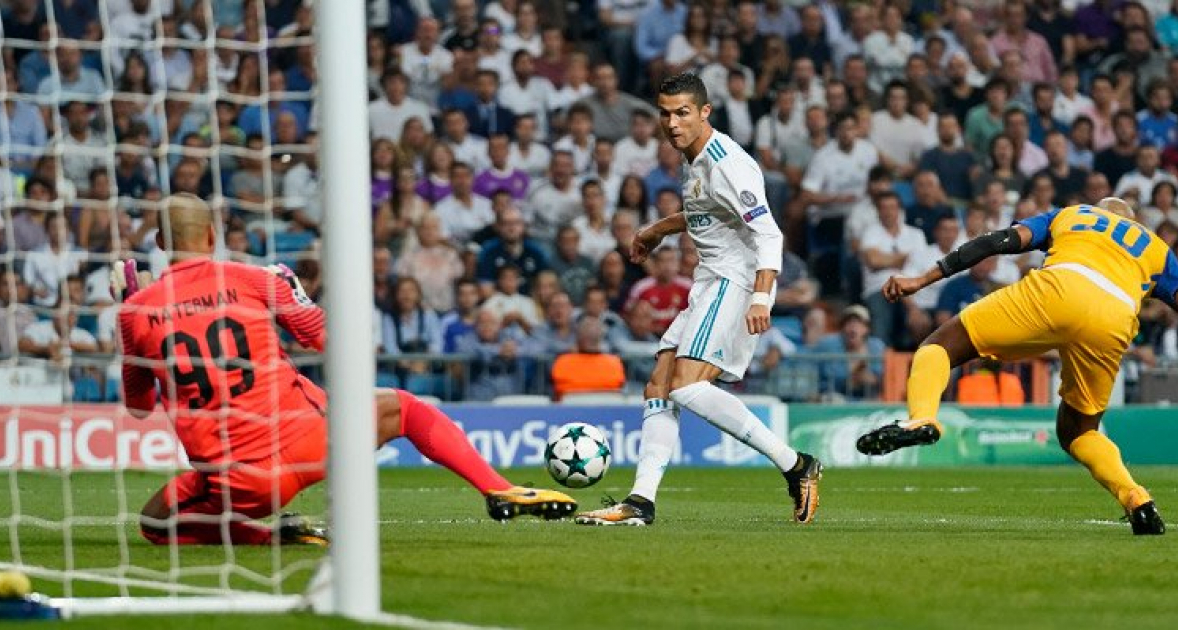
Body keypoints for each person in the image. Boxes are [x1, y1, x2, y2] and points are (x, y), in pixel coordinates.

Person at [116, 195, 576, 546]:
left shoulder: (136, 310)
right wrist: (294, 292)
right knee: (404, 408)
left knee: (156, 523)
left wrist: (132, 307)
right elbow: (326, 339)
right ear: (213, 238)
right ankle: (500, 488)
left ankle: (272, 536)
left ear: (159, 243)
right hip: (314, 441)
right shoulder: (253, 279)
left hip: (244, 484)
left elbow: (138, 407)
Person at [576, 73, 822, 527]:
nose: (672, 123)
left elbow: (769, 232)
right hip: (709, 281)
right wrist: (655, 230)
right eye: (665, 113)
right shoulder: (695, 161)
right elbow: (702, 211)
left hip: (735, 281)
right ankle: (640, 501)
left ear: (705, 112)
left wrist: (762, 299)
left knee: (687, 386)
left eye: (682, 113)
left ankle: (795, 464)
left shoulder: (728, 162)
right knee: (659, 387)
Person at [857, 197, 1177, 535]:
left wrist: (922, 279)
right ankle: (1136, 499)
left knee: (938, 346)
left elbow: (998, 241)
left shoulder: (1074, 214)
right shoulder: (1156, 248)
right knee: (1079, 431)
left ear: (1099, 210)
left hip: (1057, 290)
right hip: (1114, 318)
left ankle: (921, 418)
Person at [551, 317, 626, 399]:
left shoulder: (614, 362)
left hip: (606, 405)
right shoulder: (563, 361)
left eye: (594, 331)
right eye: (588, 331)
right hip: (572, 406)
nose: (591, 333)